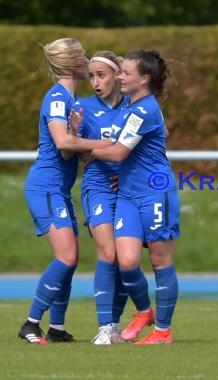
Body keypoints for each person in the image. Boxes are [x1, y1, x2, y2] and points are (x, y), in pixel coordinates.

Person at [18, 38, 112, 344]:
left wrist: (77, 134)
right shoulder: (57, 98)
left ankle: (57, 327)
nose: (88, 61)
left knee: (72, 257)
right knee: (67, 256)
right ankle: (31, 323)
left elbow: (71, 150)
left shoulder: (72, 102)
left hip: (57, 189)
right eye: (83, 56)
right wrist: (104, 144)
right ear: (72, 63)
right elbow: (61, 144)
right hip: (45, 187)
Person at [90, 49, 180, 345]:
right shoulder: (132, 103)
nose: (119, 76)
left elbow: (117, 152)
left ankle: (163, 331)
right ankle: (144, 311)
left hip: (156, 192)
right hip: (127, 193)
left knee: (159, 260)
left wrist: (74, 146)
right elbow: (162, 131)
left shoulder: (144, 109)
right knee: (127, 262)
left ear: (144, 79)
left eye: (125, 72)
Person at [75, 51, 130, 344]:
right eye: (92, 76)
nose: (95, 82)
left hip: (129, 190)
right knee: (108, 253)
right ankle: (105, 326)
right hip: (97, 187)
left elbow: (152, 145)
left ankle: (116, 326)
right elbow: (78, 151)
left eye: (102, 75)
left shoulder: (135, 107)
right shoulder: (83, 108)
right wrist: (107, 149)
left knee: (126, 259)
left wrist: (129, 172)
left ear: (118, 75)